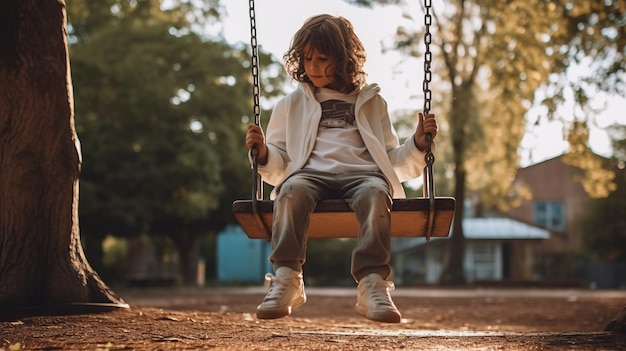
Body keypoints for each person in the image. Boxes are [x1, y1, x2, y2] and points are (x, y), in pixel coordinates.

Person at [245, 14, 438, 323]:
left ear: (344, 59)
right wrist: (264, 152)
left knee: (377, 192)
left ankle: (372, 283)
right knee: (291, 191)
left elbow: (391, 160)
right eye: (307, 58)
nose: (313, 67)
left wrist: (416, 143)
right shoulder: (290, 104)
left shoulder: (372, 101)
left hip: (363, 175)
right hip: (308, 175)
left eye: (323, 59)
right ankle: (287, 278)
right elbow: (280, 164)